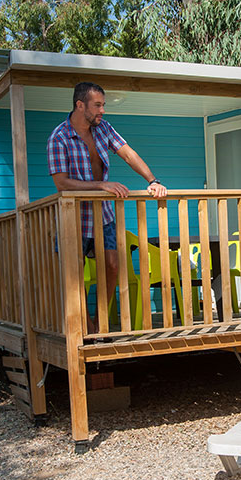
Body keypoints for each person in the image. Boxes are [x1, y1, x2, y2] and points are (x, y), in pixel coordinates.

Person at [47, 82, 167, 334]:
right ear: (80, 105)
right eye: (98, 105)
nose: (102, 110)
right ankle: (87, 326)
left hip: (103, 214)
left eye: (103, 105)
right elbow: (61, 183)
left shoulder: (103, 128)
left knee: (112, 265)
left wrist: (152, 181)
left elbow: (128, 154)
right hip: (74, 216)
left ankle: (100, 321)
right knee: (74, 274)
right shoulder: (59, 137)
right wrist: (101, 185)